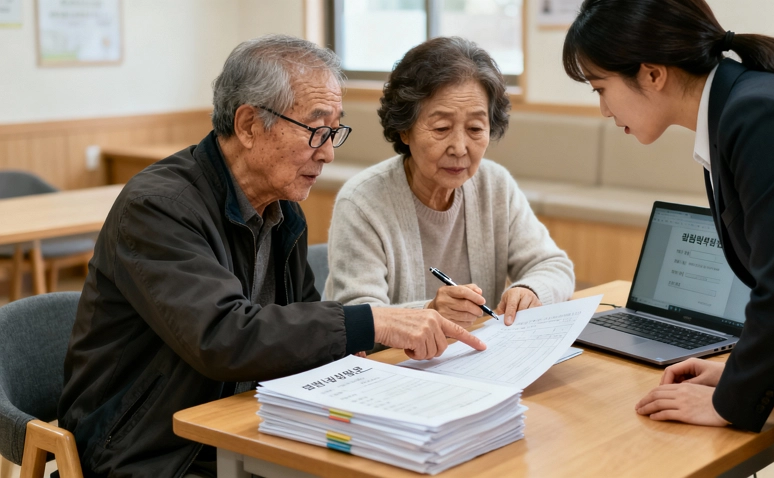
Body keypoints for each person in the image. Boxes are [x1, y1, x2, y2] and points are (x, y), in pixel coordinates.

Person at [57, 35, 485, 478]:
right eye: (316, 129)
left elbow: (301, 326)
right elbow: (223, 336)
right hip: (152, 450)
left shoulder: (280, 208)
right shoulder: (158, 207)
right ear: (247, 125)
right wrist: (375, 321)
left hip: (246, 424)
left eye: (334, 130)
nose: (328, 151)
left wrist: (391, 335)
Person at [561, 0, 774, 474]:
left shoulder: (758, 115)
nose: (603, 110)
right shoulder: (745, 104)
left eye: (601, 88)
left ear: (652, 74)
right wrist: (735, 373)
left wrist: (728, 402)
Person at [325, 37, 575, 332]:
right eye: (442, 128)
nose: (459, 147)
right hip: (394, 369)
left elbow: (555, 266)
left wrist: (531, 291)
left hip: (475, 361)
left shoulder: (494, 186)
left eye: (475, 128)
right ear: (405, 130)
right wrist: (429, 312)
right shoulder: (362, 201)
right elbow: (356, 316)